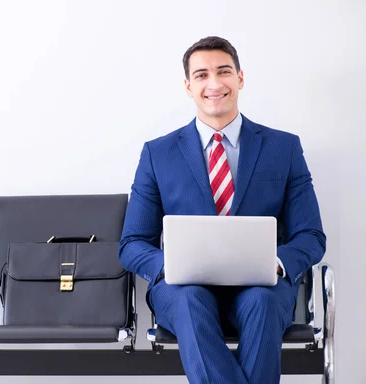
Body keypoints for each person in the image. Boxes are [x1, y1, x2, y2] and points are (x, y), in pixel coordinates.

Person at [119, 36, 326, 384]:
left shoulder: (283, 148)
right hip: (184, 290)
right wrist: (167, 265)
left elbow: (311, 236)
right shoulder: (158, 154)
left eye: (223, 71)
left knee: (262, 301)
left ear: (240, 78)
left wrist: (275, 262)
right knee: (190, 299)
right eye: (201, 75)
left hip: (261, 287)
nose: (214, 83)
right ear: (188, 86)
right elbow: (132, 243)